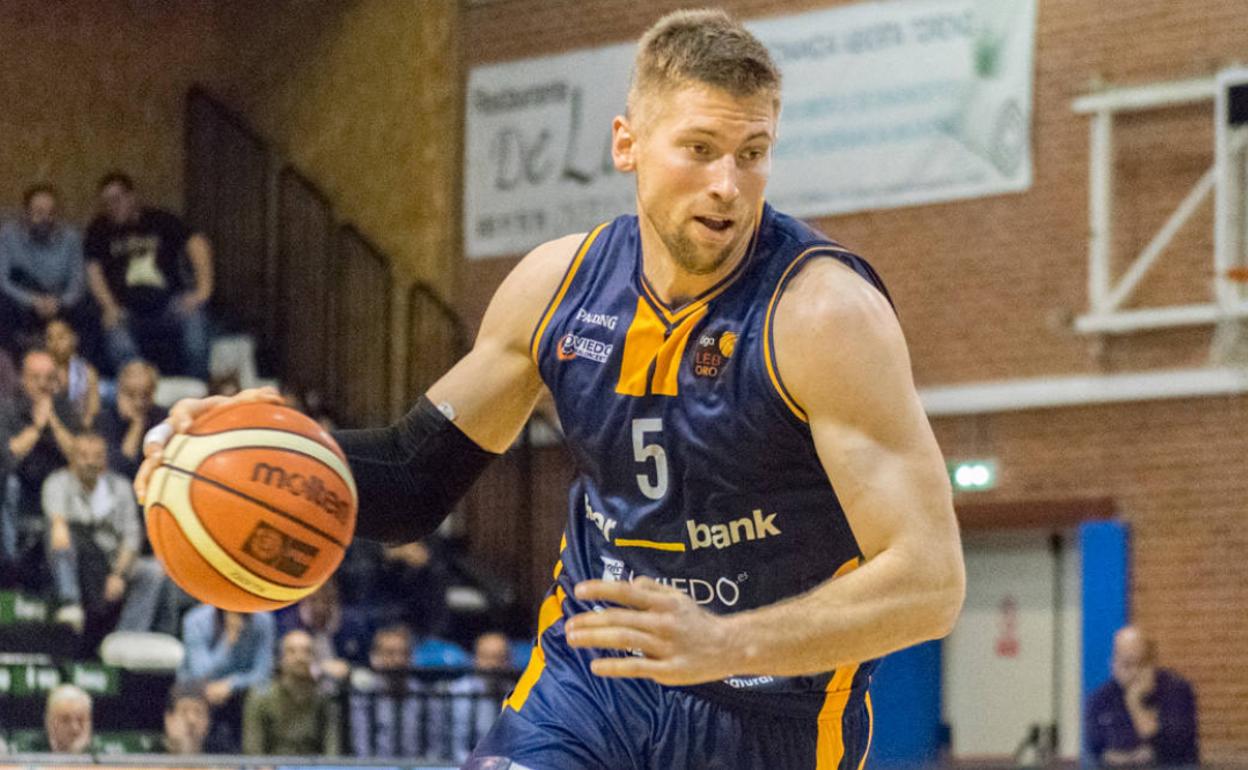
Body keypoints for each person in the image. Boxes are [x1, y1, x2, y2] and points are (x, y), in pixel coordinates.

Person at [137, 9, 965, 768]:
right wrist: (241, 445)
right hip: (589, 687)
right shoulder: (557, 287)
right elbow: (413, 479)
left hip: (768, 714)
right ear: (627, 143)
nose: (729, 183)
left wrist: (726, 643)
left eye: (753, 154)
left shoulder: (823, 316)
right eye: (700, 148)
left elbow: (930, 582)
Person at [84, 172, 213, 379]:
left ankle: (196, 386)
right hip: (126, 311)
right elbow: (94, 271)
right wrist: (109, 306)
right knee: (116, 336)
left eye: (117, 199)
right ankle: (138, 388)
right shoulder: (98, 229)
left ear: (131, 196)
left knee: (196, 325)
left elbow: (197, 243)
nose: (112, 206)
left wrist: (203, 290)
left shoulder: (159, 220)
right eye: (106, 203)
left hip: (169, 305)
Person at [42, 432, 172, 637]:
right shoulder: (57, 482)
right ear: (72, 458)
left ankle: (127, 637)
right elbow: (57, 522)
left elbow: (131, 536)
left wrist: (118, 574)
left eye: (97, 456)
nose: (90, 462)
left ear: (105, 459)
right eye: (84, 456)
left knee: (153, 571)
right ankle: (70, 602)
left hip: (111, 561)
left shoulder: (120, 487)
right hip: (76, 560)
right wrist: (59, 526)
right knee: (59, 532)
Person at [1, 349, 79, 582]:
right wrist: (36, 426)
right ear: (23, 378)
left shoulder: (63, 408)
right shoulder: (7, 408)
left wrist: (53, 422)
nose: (43, 384)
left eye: (49, 378)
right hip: (20, 489)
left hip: (59, 490)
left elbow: (79, 455)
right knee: (10, 483)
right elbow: (7, 455)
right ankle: (10, 565)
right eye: (36, 378)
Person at [1086, 626, 1199, 767]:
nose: (1135, 672)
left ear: (1152, 663)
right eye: (1127, 665)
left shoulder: (1176, 690)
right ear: (1114, 664)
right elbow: (1099, 751)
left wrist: (1135, 705)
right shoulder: (1100, 699)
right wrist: (1132, 758)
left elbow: (1176, 748)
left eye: (1141, 664)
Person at [0, 185, 89, 356]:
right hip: (23, 302)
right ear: (26, 214)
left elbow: (78, 282)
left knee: (88, 310)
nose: (45, 218)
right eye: (39, 212)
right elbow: (2, 281)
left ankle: (80, 367)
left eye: (51, 212)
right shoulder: (8, 235)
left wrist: (59, 302)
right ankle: (12, 366)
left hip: (59, 302)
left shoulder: (71, 238)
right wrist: (32, 300)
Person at [177, 604, 275, 751]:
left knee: (261, 694)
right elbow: (201, 672)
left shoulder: (264, 621)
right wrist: (228, 640)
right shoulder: (196, 620)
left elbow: (263, 673)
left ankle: (253, 758)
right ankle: (191, 757)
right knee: (192, 699)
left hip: (241, 691)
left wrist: (231, 684)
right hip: (200, 686)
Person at [242, 629, 342, 756]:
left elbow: (332, 751)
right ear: (281, 659)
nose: (300, 658)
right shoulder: (260, 698)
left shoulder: (324, 700)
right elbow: (253, 751)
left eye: (307, 651)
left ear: (314, 659)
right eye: (292, 651)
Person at [444, 631, 516, 764]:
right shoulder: (459, 692)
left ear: (509, 661)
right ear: (475, 659)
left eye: (500, 658)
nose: (493, 665)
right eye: (487, 657)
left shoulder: (516, 693)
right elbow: (456, 745)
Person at [94, 359, 166, 480]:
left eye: (145, 395)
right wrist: (137, 425)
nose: (139, 403)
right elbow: (118, 470)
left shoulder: (162, 418)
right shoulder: (105, 419)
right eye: (131, 394)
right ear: (120, 391)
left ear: (154, 392)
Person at [45, 318, 100, 429]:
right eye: (50, 338)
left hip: (81, 428)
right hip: (50, 428)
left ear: (73, 338)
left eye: (61, 337)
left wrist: (82, 430)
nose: (55, 343)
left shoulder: (87, 371)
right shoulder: (43, 371)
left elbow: (93, 409)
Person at [34, 683, 94, 753]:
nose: (75, 728)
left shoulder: (102, 752)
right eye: (65, 720)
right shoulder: (30, 752)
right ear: (49, 722)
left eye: (81, 720)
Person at [158, 681, 214, 755]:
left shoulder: (223, 760)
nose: (192, 720)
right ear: (169, 720)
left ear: (208, 721)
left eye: (199, 712)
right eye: (184, 712)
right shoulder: (148, 759)